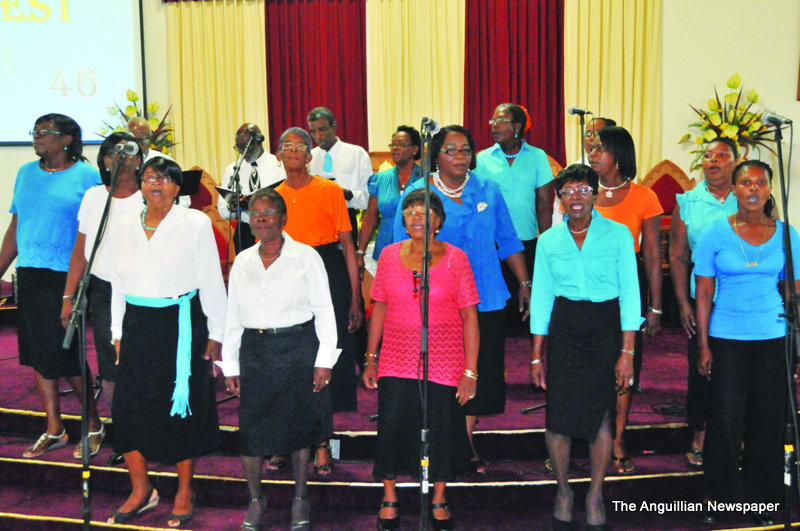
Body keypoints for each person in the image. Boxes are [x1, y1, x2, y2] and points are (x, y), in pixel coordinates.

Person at [392, 125, 530, 474]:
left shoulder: (488, 190)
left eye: (465, 150)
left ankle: (466, 441)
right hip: (436, 300)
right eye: (450, 150)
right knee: (439, 374)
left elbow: (509, 240)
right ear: (435, 156)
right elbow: (397, 250)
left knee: (475, 370)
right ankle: (438, 440)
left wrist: (525, 283)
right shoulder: (418, 194)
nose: (459, 157)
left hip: (484, 297)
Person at [106, 157, 226, 527]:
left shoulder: (194, 223)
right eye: (148, 177)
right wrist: (117, 332)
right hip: (137, 325)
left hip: (181, 324)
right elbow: (116, 284)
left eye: (164, 178)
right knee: (127, 408)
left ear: (177, 187)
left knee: (180, 409)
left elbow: (210, 280)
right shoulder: (123, 223)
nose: (155, 183)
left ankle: (184, 490)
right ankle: (142, 489)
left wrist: (216, 334)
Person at [219, 188, 338, 531]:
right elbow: (232, 316)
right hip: (254, 352)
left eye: (269, 212)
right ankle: (257, 499)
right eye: (255, 213)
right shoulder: (242, 260)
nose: (261, 219)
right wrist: (231, 364)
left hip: (297, 349)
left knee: (299, 427)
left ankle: (300, 498)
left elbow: (324, 311)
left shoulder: (306, 257)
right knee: (252, 431)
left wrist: (324, 360)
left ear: (283, 219)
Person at [530, 164, 641, 529]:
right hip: (566, 329)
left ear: (595, 194)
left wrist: (627, 353)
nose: (575, 196)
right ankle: (563, 489)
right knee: (558, 415)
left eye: (583, 189)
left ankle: (595, 493)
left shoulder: (619, 234)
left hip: (606, 329)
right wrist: (536, 355)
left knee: (601, 415)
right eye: (568, 190)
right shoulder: (548, 241)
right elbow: (543, 298)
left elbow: (630, 295)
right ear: (559, 199)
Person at [364, 189, 479, 531]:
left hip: (445, 355)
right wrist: (371, 357)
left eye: (424, 211)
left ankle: (439, 496)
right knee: (393, 424)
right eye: (410, 211)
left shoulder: (457, 258)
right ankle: (389, 495)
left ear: (438, 222)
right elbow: (380, 307)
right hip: (396, 355)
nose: (417, 216)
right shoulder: (386, 256)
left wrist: (470, 370)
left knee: (441, 426)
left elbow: (470, 317)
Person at [695, 160, 799, 525]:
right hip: (727, 338)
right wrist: (704, 345)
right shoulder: (714, 233)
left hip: (773, 338)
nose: (753, 189)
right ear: (735, 190)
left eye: (760, 182)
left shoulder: (788, 234)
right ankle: (721, 496)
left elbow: (793, 291)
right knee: (725, 419)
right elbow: (704, 291)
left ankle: (763, 498)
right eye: (745, 183)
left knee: (768, 421)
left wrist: (795, 345)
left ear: (770, 189)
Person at [0, 113, 102, 459]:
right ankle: (54, 428)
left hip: (66, 276)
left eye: (47, 132)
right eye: (36, 131)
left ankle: (92, 424)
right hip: (30, 273)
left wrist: (77, 287)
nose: (38, 137)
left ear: (68, 139)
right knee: (36, 353)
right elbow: (15, 228)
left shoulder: (87, 176)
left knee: (67, 353)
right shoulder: (26, 173)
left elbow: (93, 232)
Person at [274, 127, 364, 475]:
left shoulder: (329, 190)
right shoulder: (273, 195)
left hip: (328, 270)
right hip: (286, 272)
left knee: (324, 355)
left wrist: (355, 298)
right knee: (290, 359)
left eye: (300, 146)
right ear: (278, 156)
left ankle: (324, 442)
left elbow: (348, 245)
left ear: (310, 156)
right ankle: (286, 440)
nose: (293, 151)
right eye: (286, 146)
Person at [60, 132, 144, 460]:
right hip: (105, 290)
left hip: (145, 292)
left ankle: (152, 433)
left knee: (145, 364)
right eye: (112, 153)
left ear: (139, 159)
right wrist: (69, 295)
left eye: (126, 152)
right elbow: (80, 251)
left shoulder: (151, 196)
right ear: (104, 160)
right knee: (111, 368)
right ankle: (127, 436)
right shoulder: (94, 197)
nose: (119, 159)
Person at [587, 125, 663, 475]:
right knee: (583, 371)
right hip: (583, 288)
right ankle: (582, 438)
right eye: (590, 148)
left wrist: (656, 306)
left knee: (623, 367)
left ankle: (617, 439)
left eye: (600, 148)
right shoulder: (582, 191)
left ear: (619, 154)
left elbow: (650, 254)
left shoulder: (644, 196)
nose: (592, 153)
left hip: (625, 287)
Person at [668, 137, 739, 469]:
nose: (713, 161)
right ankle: (699, 434)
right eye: (707, 156)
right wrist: (682, 302)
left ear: (736, 162)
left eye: (721, 156)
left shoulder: (750, 196)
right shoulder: (688, 202)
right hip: (704, 303)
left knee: (740, 370)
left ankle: (736, 435)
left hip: (745, 303)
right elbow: (679, 256)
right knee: (704, 369)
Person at [356, 125, 422, 272]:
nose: (395, 148)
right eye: (393, 144)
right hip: (386, 247)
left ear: (415, 150)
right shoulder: (380, 179)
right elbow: (370, 219)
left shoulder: (425, 179)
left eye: (402, 144)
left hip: (418, 248)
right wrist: (360, 252)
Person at [217, 123, 285, 253]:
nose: (242, 152)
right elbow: (222, 210)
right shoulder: (232, 170)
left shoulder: (279, 165)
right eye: (239, 148)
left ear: (258, 142)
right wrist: (233, 205)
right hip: (245, 230)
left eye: (246, 147)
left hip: (274, 228)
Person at [307, 106, 373, 235]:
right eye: (313, 132)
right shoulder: (310, 157)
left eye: (322, 129)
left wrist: (347, 194)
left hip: (346, 218)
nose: (318, 136)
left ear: (334, 126)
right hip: (316, 221)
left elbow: (368, 198)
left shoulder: (357, 154)